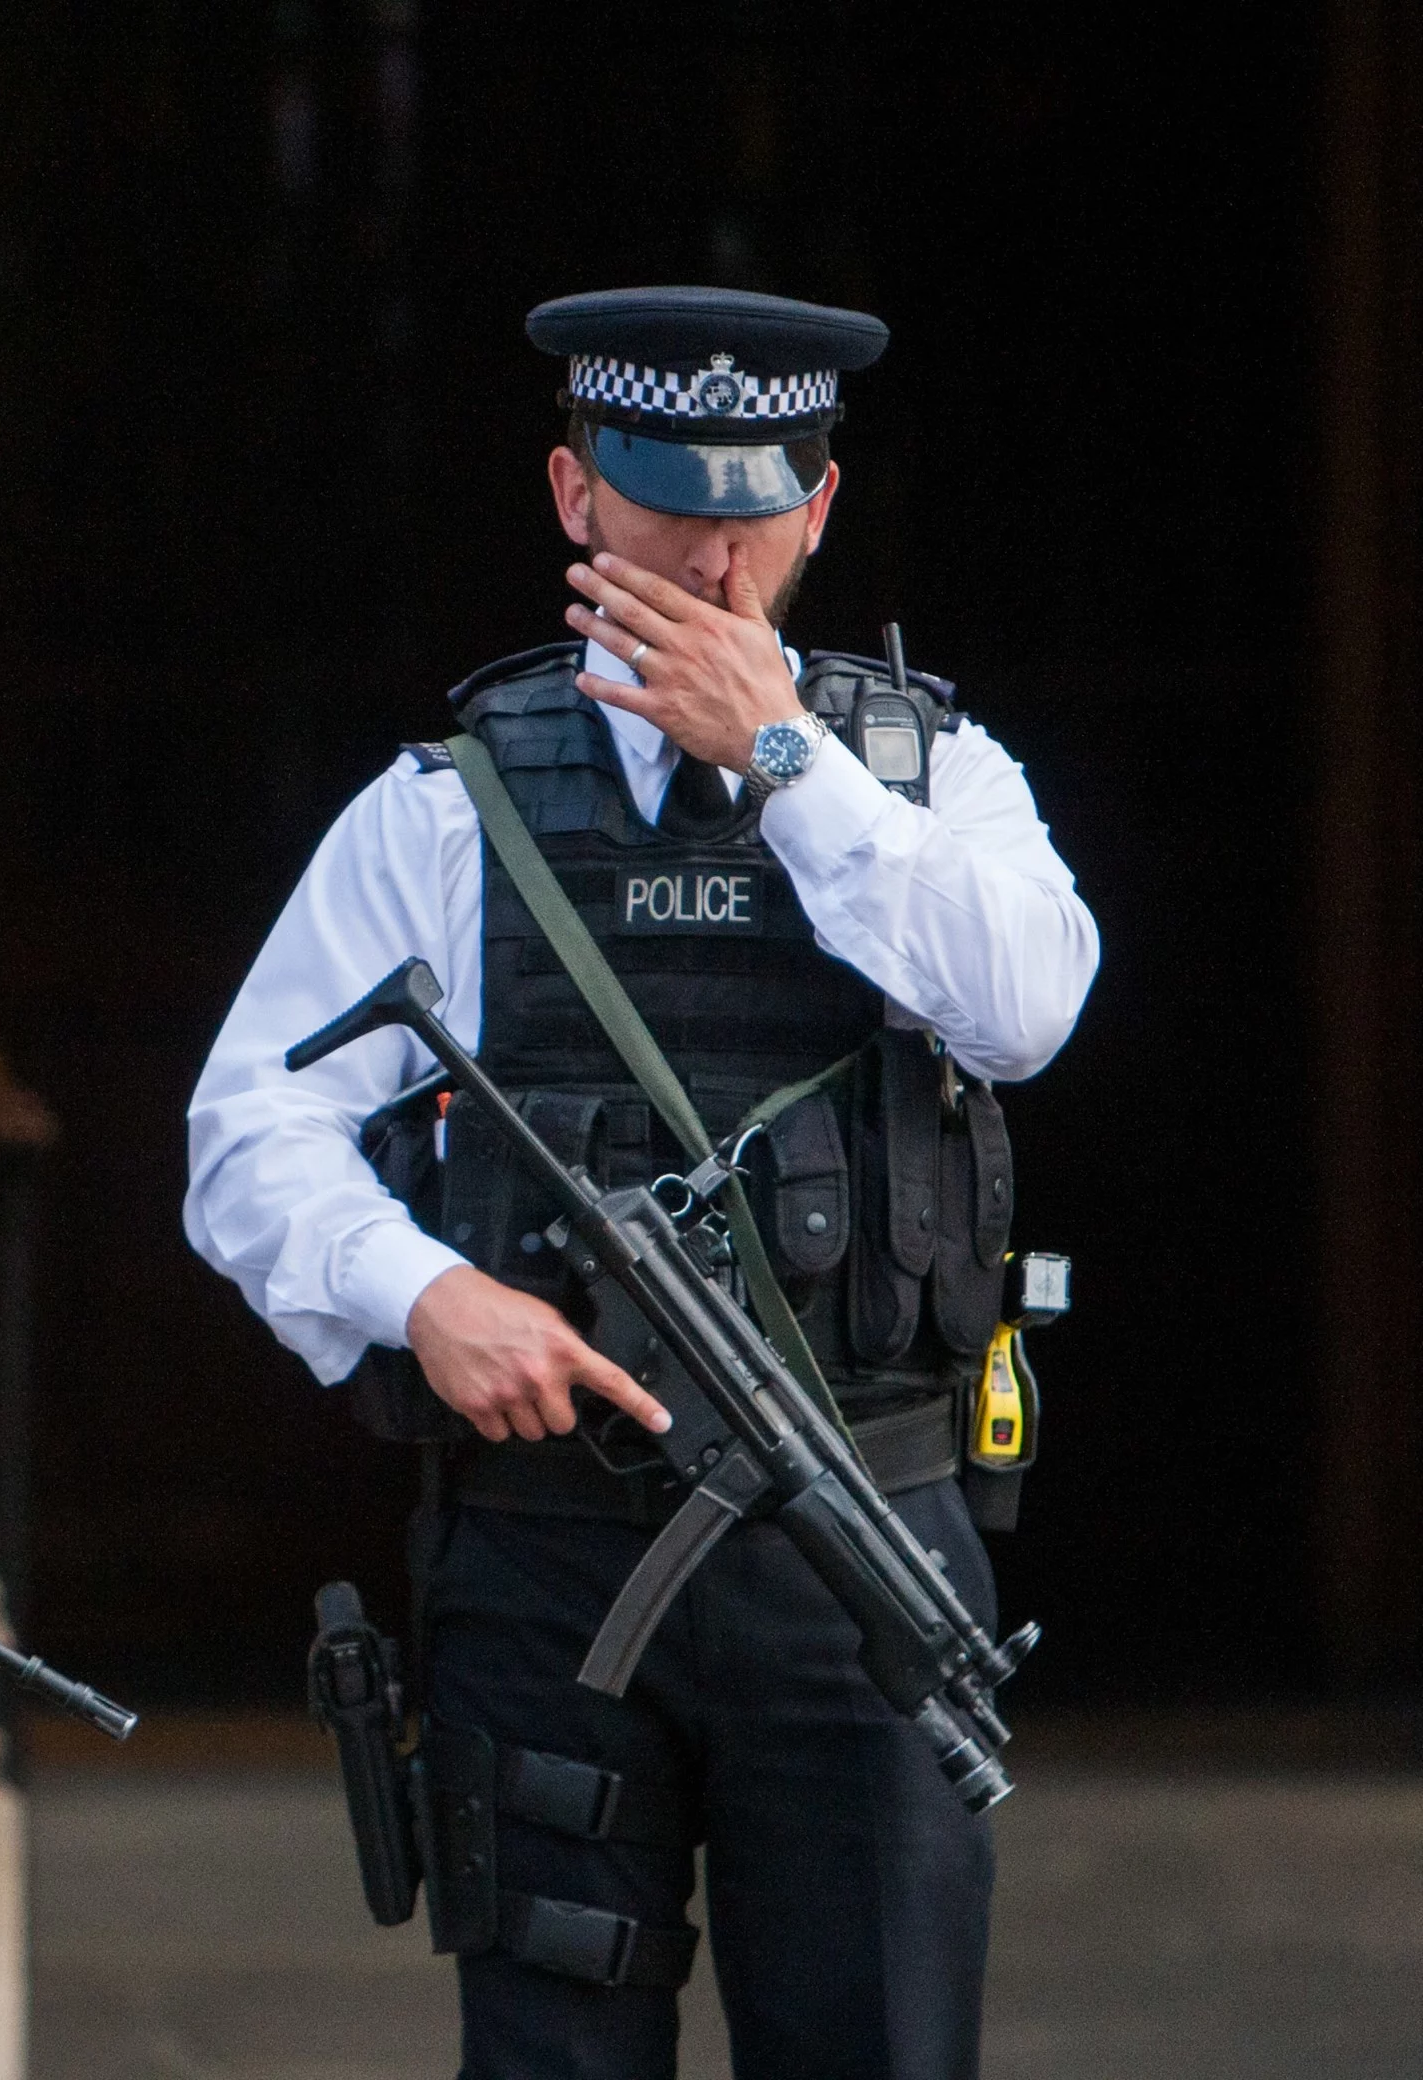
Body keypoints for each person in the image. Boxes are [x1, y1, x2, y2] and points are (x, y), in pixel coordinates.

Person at [185, 287, 1098, 2079]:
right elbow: (251, 1133)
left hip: (861, 1546)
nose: (715, 554)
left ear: (820, 517)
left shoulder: (931, 781)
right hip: (551, 1555)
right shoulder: (449, 807)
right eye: (666, 500)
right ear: (572, 497)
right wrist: (419, 1291)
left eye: (758, 508)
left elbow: (1027, 1011)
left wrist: (784, 762)